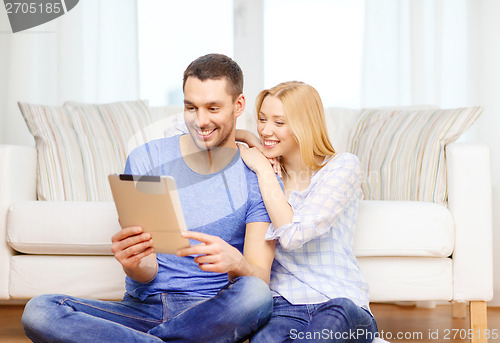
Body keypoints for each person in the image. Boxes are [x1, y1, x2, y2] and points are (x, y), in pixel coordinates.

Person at [21, 54, 275, 343]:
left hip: (210, 313)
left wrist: (237, 262)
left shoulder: (256, 174)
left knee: (256, 295)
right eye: (190, 107)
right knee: (40, 310)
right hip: (141, 311)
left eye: (213, 108)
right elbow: (146, 272)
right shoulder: (148, 158)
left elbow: (259, 277)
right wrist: (133, 263)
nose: (200, 120)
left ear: (238, 105)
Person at [237, 81, 378, 342]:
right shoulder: (263, 173)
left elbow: (292, 235)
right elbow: (187, 132)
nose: (266, 130)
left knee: (331, 322)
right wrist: (246, 137)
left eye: (279, 123)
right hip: (283, 307)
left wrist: (263, 169)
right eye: (262, 119)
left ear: (305, 125)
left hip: (338, 302)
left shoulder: (342, 167)